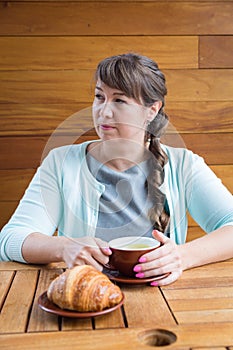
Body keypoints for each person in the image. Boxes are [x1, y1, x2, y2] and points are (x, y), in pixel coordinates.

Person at [0, 53, 233, 286]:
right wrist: (64, 247)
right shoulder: (61, 163)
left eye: (119, 100)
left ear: (151, 110)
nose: (104, 111)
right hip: (85, 301)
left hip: (163, 300)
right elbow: (11, 239)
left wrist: (182, 256)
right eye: (99, 97)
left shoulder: (184, 165)